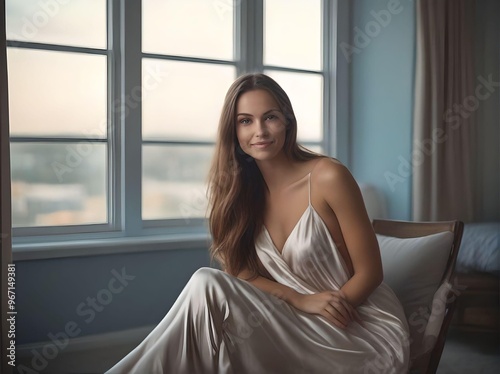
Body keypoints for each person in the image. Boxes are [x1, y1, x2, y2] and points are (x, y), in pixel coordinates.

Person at [106, 73, 410, 373]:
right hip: (291, 319)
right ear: (234, 131)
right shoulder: (238, 192)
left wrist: (325, 308)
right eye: (245, 121)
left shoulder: (328, 177)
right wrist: (299, 300)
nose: (260, 131)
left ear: (287, 121)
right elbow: (239, 271)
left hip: (353, 328)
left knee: (205, 284)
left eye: (271, 117)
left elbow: (370, 273)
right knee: (207, 295)